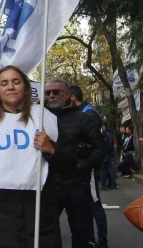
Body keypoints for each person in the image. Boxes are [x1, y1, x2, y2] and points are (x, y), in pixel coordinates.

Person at [0, 66, 78, 247]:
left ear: (26, 88)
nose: (10, 87)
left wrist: (51, 150)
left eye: (16, 82)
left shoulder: (46, 119)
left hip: (39, 211)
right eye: (4, 83)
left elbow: (71, 166)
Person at [45, 78, 104, 248]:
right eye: (48, 92)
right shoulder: (40, 118)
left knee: (80, 235)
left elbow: (100, 148)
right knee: (47, 235)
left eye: (56, 92)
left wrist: (82, 165)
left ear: (67, 95)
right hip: (48, 188)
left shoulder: (82, 118)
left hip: (76, 186)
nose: (51, 96)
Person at [68, 85, 108, 248]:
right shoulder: (84, 112)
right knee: (86, 205)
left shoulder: (88, 113)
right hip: (83, 167)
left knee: (94, 203)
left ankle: (101, 241)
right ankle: (90, 240)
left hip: (89, 168)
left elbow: (95, 144)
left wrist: (85, 162)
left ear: (71, 97)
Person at [99, 123, 117, 190]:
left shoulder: (106, 134)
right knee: (110, 170)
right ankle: (111, 185)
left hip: (106, 155)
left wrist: (104, 151)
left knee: (103, 170)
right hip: (109, 154)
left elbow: (108, 144)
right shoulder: (110, 134)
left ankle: (104, 184)